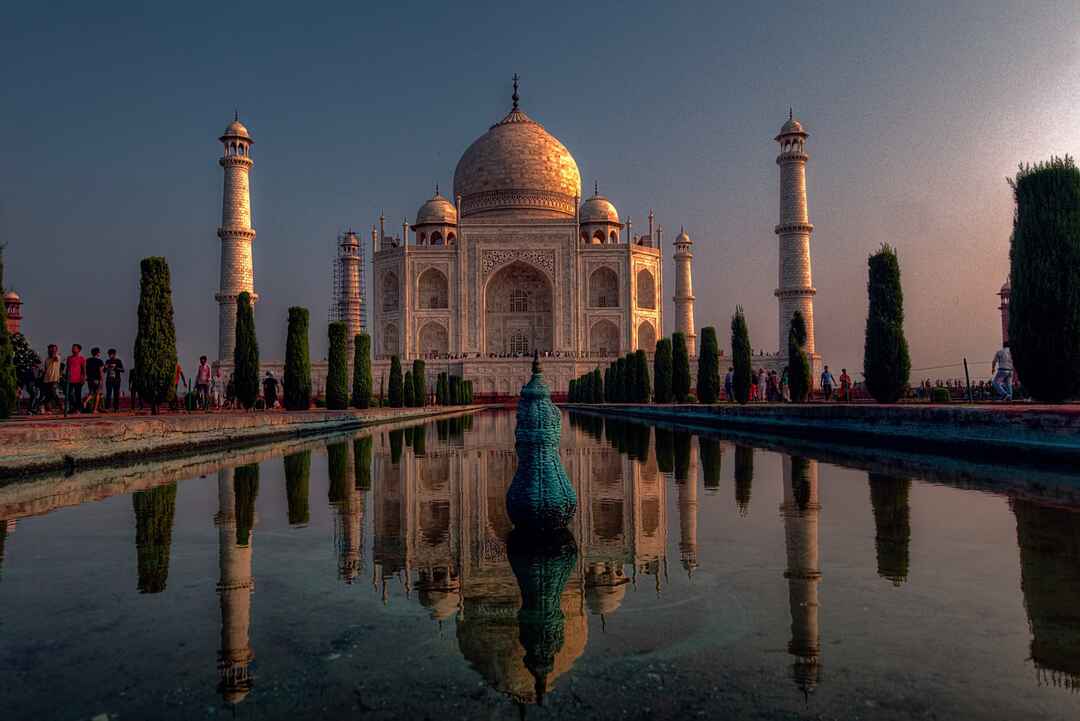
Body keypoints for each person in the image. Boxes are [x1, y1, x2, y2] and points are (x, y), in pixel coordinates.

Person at [65, 344, 86, 413]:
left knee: (78, 395)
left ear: (79, 350)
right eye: (72, 348)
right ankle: (74, 407)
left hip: (78, 379)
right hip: (69, 379)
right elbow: (67, 368)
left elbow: (83, 369)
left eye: (75, 348)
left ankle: (78, 409)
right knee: (68, 394)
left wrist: (83, 378)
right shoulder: (69, 358)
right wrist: (66, 376)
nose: (73, 349)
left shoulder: (81, 358)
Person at [41, 344, 61, 413]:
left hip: (54, 379)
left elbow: (55, 358)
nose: (51, 351)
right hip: (47, 379)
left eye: (53, 349)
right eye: (50, 349)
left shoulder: (57, 357)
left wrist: (55, 352)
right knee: (48, 394)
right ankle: (47, 408)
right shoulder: (46, 359)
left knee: (53, 392)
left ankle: (60, 405)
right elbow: (45, 369)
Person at [84, 347, 105, 413]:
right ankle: (95, 409)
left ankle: (85, 401)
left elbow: (85, 369)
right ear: (97, 353)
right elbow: (101, 371)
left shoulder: (87, 360)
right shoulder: (99, 361)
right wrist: (101, 380)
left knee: (91, 392)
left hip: (89, 379)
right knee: (97, 394)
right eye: (99, 352)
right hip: (96, 379)